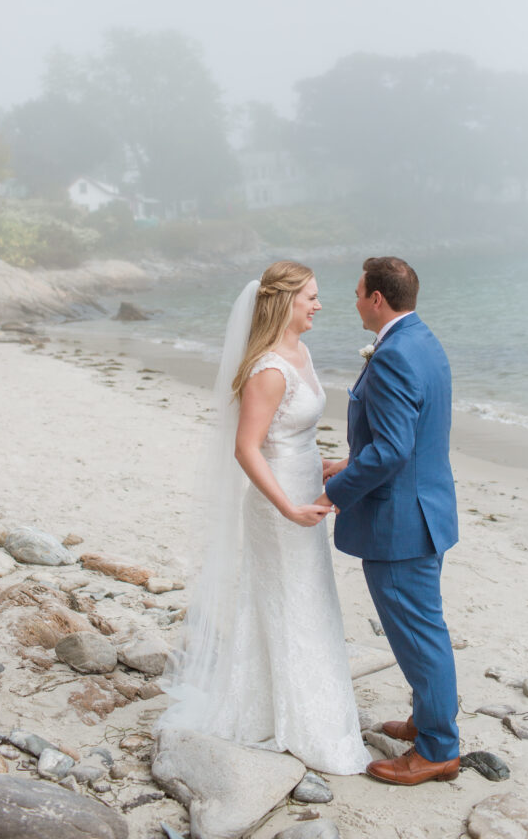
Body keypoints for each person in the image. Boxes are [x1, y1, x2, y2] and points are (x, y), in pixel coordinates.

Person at [157, 260, 370, 775]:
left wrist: (320, 465)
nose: (320, 305)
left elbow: (290, 433)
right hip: (278, 504)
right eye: (311, 297)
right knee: (289, 601)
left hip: (304, 489)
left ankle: (299, 709)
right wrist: (287, 504)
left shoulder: (302, 352)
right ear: (285, 302)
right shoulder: (270, 368)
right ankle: (297, 722)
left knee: (309, 599)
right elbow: (247, 448)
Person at [318, 256, 460, 785]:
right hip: (428, 510)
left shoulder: (394, 355)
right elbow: (410, 434)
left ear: (378, 298)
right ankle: (428, 721)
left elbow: (394, 450)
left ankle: (440, 749)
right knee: (424, 628)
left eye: (358, 292)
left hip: (400, 525)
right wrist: (351, 461)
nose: (353, 300)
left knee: (421, 637)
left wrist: (335, 492)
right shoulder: (423, 340)